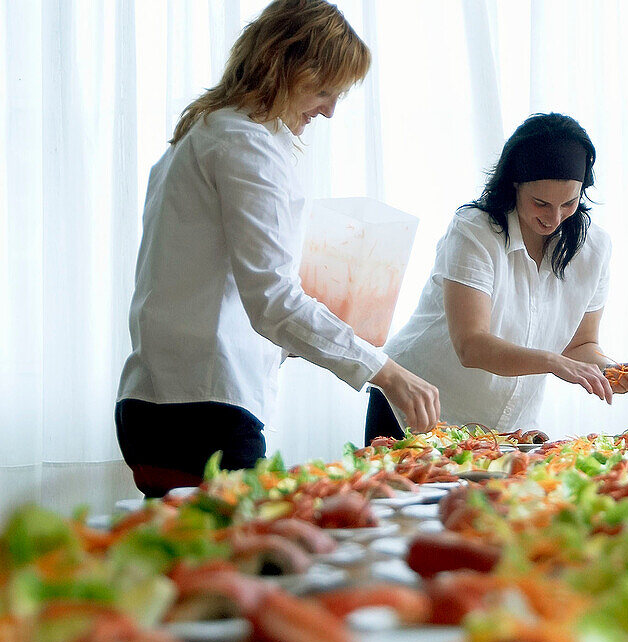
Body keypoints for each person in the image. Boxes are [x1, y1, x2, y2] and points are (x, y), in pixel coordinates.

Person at [116, 0, 439, 497]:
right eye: (325, 90)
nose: (330, 109)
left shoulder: (205, 132)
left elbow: (226, 290)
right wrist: (385, 371)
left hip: (157, 404)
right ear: (286, 66)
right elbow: (272, 301)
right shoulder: (245, 146)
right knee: (245, 565)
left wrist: (327, 323)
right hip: (203, 412)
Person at [366, 113, 628, 440]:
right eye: (540, 203)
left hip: (504, 430)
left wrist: (609, 370)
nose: (554, 217)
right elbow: (471, 345)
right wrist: (552, 362)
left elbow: (580, 345)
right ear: (514, 183)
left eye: (569, 203)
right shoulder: (475, 231)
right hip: (414, 406)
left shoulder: (594, 248)